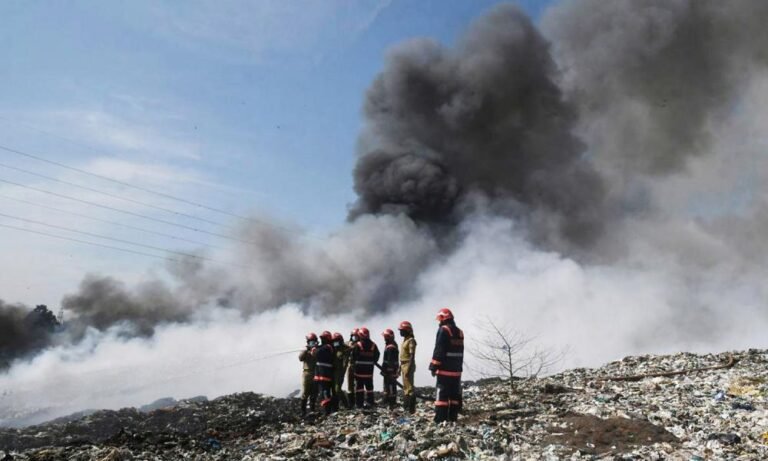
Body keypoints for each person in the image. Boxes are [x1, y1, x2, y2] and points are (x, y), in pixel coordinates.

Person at [429, 308, 464, 423]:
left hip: (444, 371)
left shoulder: (443, 330)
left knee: (442, 396)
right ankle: (453, 418)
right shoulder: (460, 332)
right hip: (456, 371)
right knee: (454, 396)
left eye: (440, 319)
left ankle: (440, 419)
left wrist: (433, 366)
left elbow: (439, 350)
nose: (439, 322)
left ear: (443, 319)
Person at [351, 326, 380, 409]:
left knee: (359, 388)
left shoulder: (358, 345)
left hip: (359, 372)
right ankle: (370, 402)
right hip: (369, 372)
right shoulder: (373, 345)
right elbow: (377, 356)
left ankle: (359, 404)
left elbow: (353, 357)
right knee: (369, 388)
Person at [312, 330, 335, 415]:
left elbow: (318, 353)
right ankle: (324, 410)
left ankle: (328, 411)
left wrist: (314, 349)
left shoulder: (328, 347)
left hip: (324, 375)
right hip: (319, 374)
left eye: (323, 338)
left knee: (325, 393)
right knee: (321, 393)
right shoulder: (324, 346)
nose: (322, 340)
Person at [398, 320, 417, 414]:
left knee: (409, 388)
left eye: (402, 330)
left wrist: (408, 368)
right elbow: (402, 356)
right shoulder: (405, 340)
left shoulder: (411, 340)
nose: (400, 332)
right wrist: (399, 368)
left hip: (408, 364)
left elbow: (411, 355)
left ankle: (411, 409)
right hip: (403, 364)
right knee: (405, 387)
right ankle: (406, 407)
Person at [298, 332, 318, 415]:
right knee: (305, 392)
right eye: (310, 342)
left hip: (316, 373)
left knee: (314, 393)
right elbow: (300, 358)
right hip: (306, 373)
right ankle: (303, 411)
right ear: (308, 343)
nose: (312, 344)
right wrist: (305, 351)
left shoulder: (318, 350)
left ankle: (312, 409)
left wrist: (315, 351)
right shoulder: (305, 350)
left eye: (313, 342)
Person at [380, 328, 400, 409]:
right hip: (390, 370)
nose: (384, 338)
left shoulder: (390, 347)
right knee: (388, 386)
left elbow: (389, 361)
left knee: (390, 386)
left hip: (390, 371)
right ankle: (388, 400)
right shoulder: (391, 345)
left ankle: (391, 402)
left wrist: (386, 370)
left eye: (385, 337)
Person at [331, 332, 350, 410]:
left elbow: (345, 362)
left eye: (337, 341)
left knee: (337, 389)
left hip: (339, 372)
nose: (335, 343)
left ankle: (346, 404)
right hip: (332, 371)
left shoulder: (345, 349)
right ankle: (335, 406)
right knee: (333, 389)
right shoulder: (332, 348)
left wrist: (343, 372)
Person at [346, 329, 359, 409]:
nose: (355, 338)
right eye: (354, 336)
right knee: (350, 385)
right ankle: (351, 403)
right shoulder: (348, 344)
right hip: (350, 366)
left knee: (357, 385)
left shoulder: (360, 345)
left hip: (358, 366)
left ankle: (358, 402)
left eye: (357, 336)